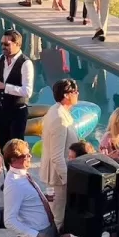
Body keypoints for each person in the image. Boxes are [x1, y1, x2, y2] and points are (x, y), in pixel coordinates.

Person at [0, 26, 33, 145]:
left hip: (17, 113)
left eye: (6, 44)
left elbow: (27, 91)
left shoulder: (26, 63)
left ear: (17, 44)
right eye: (1, 43)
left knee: (15, 147)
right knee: (0, 144)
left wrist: (4, 87)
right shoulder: (1, 58)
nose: (3, 47)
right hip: (0, 110)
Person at [40, 77, 79, 225]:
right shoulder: (59, 119)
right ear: (66, 95)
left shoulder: (56, 111)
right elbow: (57, 156)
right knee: (57, 218)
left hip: (58, 177)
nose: (77, 94)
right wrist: (69, 180)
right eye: (75, 91)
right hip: (58, 179)